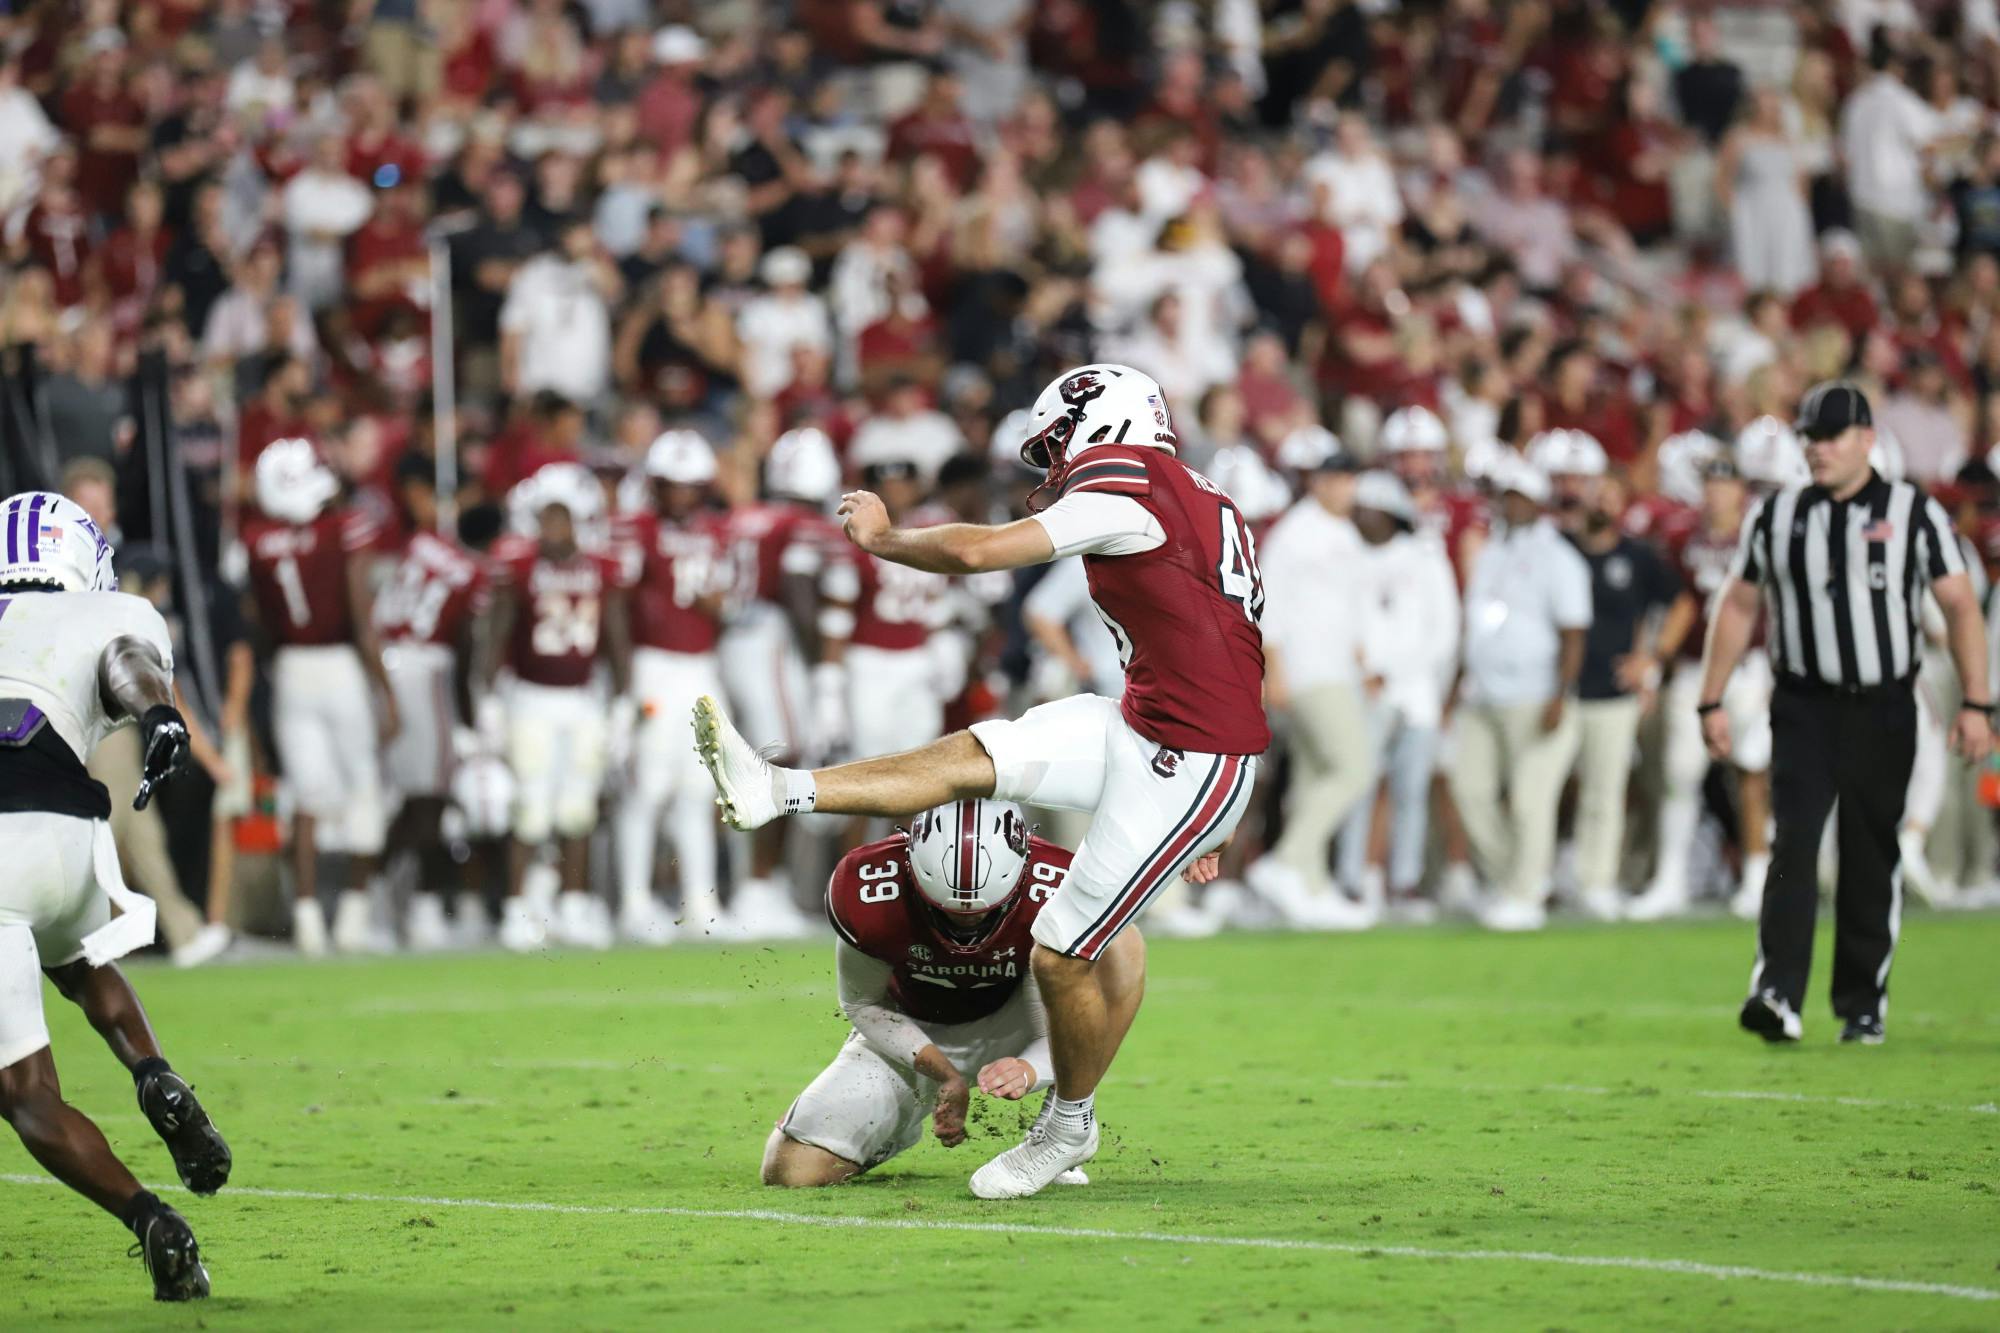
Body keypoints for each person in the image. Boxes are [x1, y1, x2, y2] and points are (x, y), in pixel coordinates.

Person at [696, 363, 1267, 1199]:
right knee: (976, 756)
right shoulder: (1200, 493)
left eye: (1057, 445)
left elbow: (976, 550)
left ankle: (1067, 1126)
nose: (1054, 465)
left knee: (1065, 952)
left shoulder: (1129, 480)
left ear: (1098, 425)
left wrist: (887, 540)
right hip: (1154, 727)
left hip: (1192, 755)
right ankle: (778, 788)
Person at [1699, 380, 1992, 1044]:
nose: (1817, 448)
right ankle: (1777, 991)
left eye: (1830, 436)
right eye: (1809, 436)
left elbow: (1960, 606)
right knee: (1792, 844)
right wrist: (1710, 696)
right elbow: (1739, 604)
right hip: (1803, 704)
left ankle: (1862, 1001)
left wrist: (1977, 700)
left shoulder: (1912, 511)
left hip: (1882, 704)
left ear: (1865, 439)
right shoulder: (1776, 516)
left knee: (1870, 851)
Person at [0, 491, 226, 1301]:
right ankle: (154, 1071)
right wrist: (161, 715)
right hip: (67, 838)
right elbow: (125, 660)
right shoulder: (110, 608)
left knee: (28, 1098)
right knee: (79, 954)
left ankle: (150, 1219)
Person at [762, 798, 1087, 1187]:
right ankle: (895, 1127)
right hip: (913, 1026)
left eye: (984, 912)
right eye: (946, 910)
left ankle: (1062, 1131)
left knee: (1122, 955)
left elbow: (1072, 1026)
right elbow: (862, 1003)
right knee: (790, 1172)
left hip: (1019, 1018)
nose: (967, 927)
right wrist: (945, 1074)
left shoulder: (1061, 886)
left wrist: (1028, 1070)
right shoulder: (869, 889)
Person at [241, 439, 399, 955]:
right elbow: (360, 618)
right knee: (362, 787)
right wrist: (386, 691)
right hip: (339, 669)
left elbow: (261, 625)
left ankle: (308, 920)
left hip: (290, 670)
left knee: (306, 801)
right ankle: (354, 917)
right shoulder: (345, 528)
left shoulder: (257, 540)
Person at [479, 464, 632, 952]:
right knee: (530, 810)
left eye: (561, 517)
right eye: (546, 517)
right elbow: (495, 636)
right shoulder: (519, 567)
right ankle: (518, 909)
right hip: (530, 697)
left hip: (583, 699)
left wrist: (624, 705)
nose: (553, 528)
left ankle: (572, 905)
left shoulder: (601, 568)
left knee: (576, 810)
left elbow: (617, 640)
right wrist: (487, 702)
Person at [1533, 431, 1679, 921]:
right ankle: (1532, 878)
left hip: (1611, 689)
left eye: (1608, 493)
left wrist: (1651, 658)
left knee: (1604, 794)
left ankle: (1595, 882)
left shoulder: (1636, 556)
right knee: (1538, 790)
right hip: (1557, 687)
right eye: (1594, 491)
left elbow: (1678, 602)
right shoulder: (1552, 547)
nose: (1598, 500)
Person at [715, 427, 848, 939]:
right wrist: (821, 668)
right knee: (782, 757)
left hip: (733, 637)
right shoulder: (801, 524)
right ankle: (758, 885)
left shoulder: (745, 516)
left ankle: (745, 886)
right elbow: (797, 592)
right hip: (770, 640)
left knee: (740, 761)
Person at [1449, 456, 1591, 931]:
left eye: (1516, 496)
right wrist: (1459, 683)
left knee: (1530, 800)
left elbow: (1574, 632)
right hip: (1483, 694)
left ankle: (1526, 893)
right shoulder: (1491, 551)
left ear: (1535, 500)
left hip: (1537, 695)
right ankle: (1512, 880)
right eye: (1503, 496)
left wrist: (1561, 694)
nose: (1507, 504)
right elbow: (1477, 625)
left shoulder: (1558, 556)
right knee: (1469, 790)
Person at [1245, 439, 1378, 927]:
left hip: (1333, 668)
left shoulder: (1338, 532)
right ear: (1317, 481)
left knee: (1314, 775)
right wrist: (1273, 672)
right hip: (1309, 672)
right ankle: (1286, 863)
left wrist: (1363, 659)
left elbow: (1343, 609)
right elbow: (1268, 608)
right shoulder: (1296, 533)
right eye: (1337, 478)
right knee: (1353, 769)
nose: (1346, 487)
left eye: (1350, 479)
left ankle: (1311, 886)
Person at [1636, 456, 1774, 922]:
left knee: (1751, 773)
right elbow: (1675, 605)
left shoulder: (1762, 532)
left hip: (1749, 666)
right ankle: (1670, 878)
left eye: (1725, 483)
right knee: (1680, 774)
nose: (1717, 493)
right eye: (1711, 484)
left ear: (1741, 489)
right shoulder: (1682, 536)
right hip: (1696, 668)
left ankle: (1757, 878)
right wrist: (1658, 661)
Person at [611, 431, 729, 943]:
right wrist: (623, 685)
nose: (682, 495)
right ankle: (634, 903)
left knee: (698, 788)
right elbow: (616, 605)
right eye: (672, 486)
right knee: (646, 788)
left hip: (700, 667)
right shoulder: (634, 528)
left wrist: (716, 604)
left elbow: (722, 603)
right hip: (652, 665)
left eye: (690, 486)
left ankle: (701, 902)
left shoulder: (716, 530)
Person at [375, 456, 492, 950]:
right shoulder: (469, 570)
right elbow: (466, 648)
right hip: (425, 672)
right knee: (431, 795)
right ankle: (415, 906)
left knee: (410, 795)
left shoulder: (420, 543)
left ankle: (378, 895)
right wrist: (470, 717)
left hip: (385, 664)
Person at [1335, 469, 1459, 922]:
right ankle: (1350, 883)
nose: (1361, 515)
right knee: (1357, 787)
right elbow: (1339, 627)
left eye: (1369, 508)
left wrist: (1408, 676)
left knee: (1411, 791)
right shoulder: (1345, 556)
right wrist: (1365, 673)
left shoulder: (1425, 557)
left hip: (1419, 692)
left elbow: (1444, 630)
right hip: (1362, 692)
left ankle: (1404, 883)